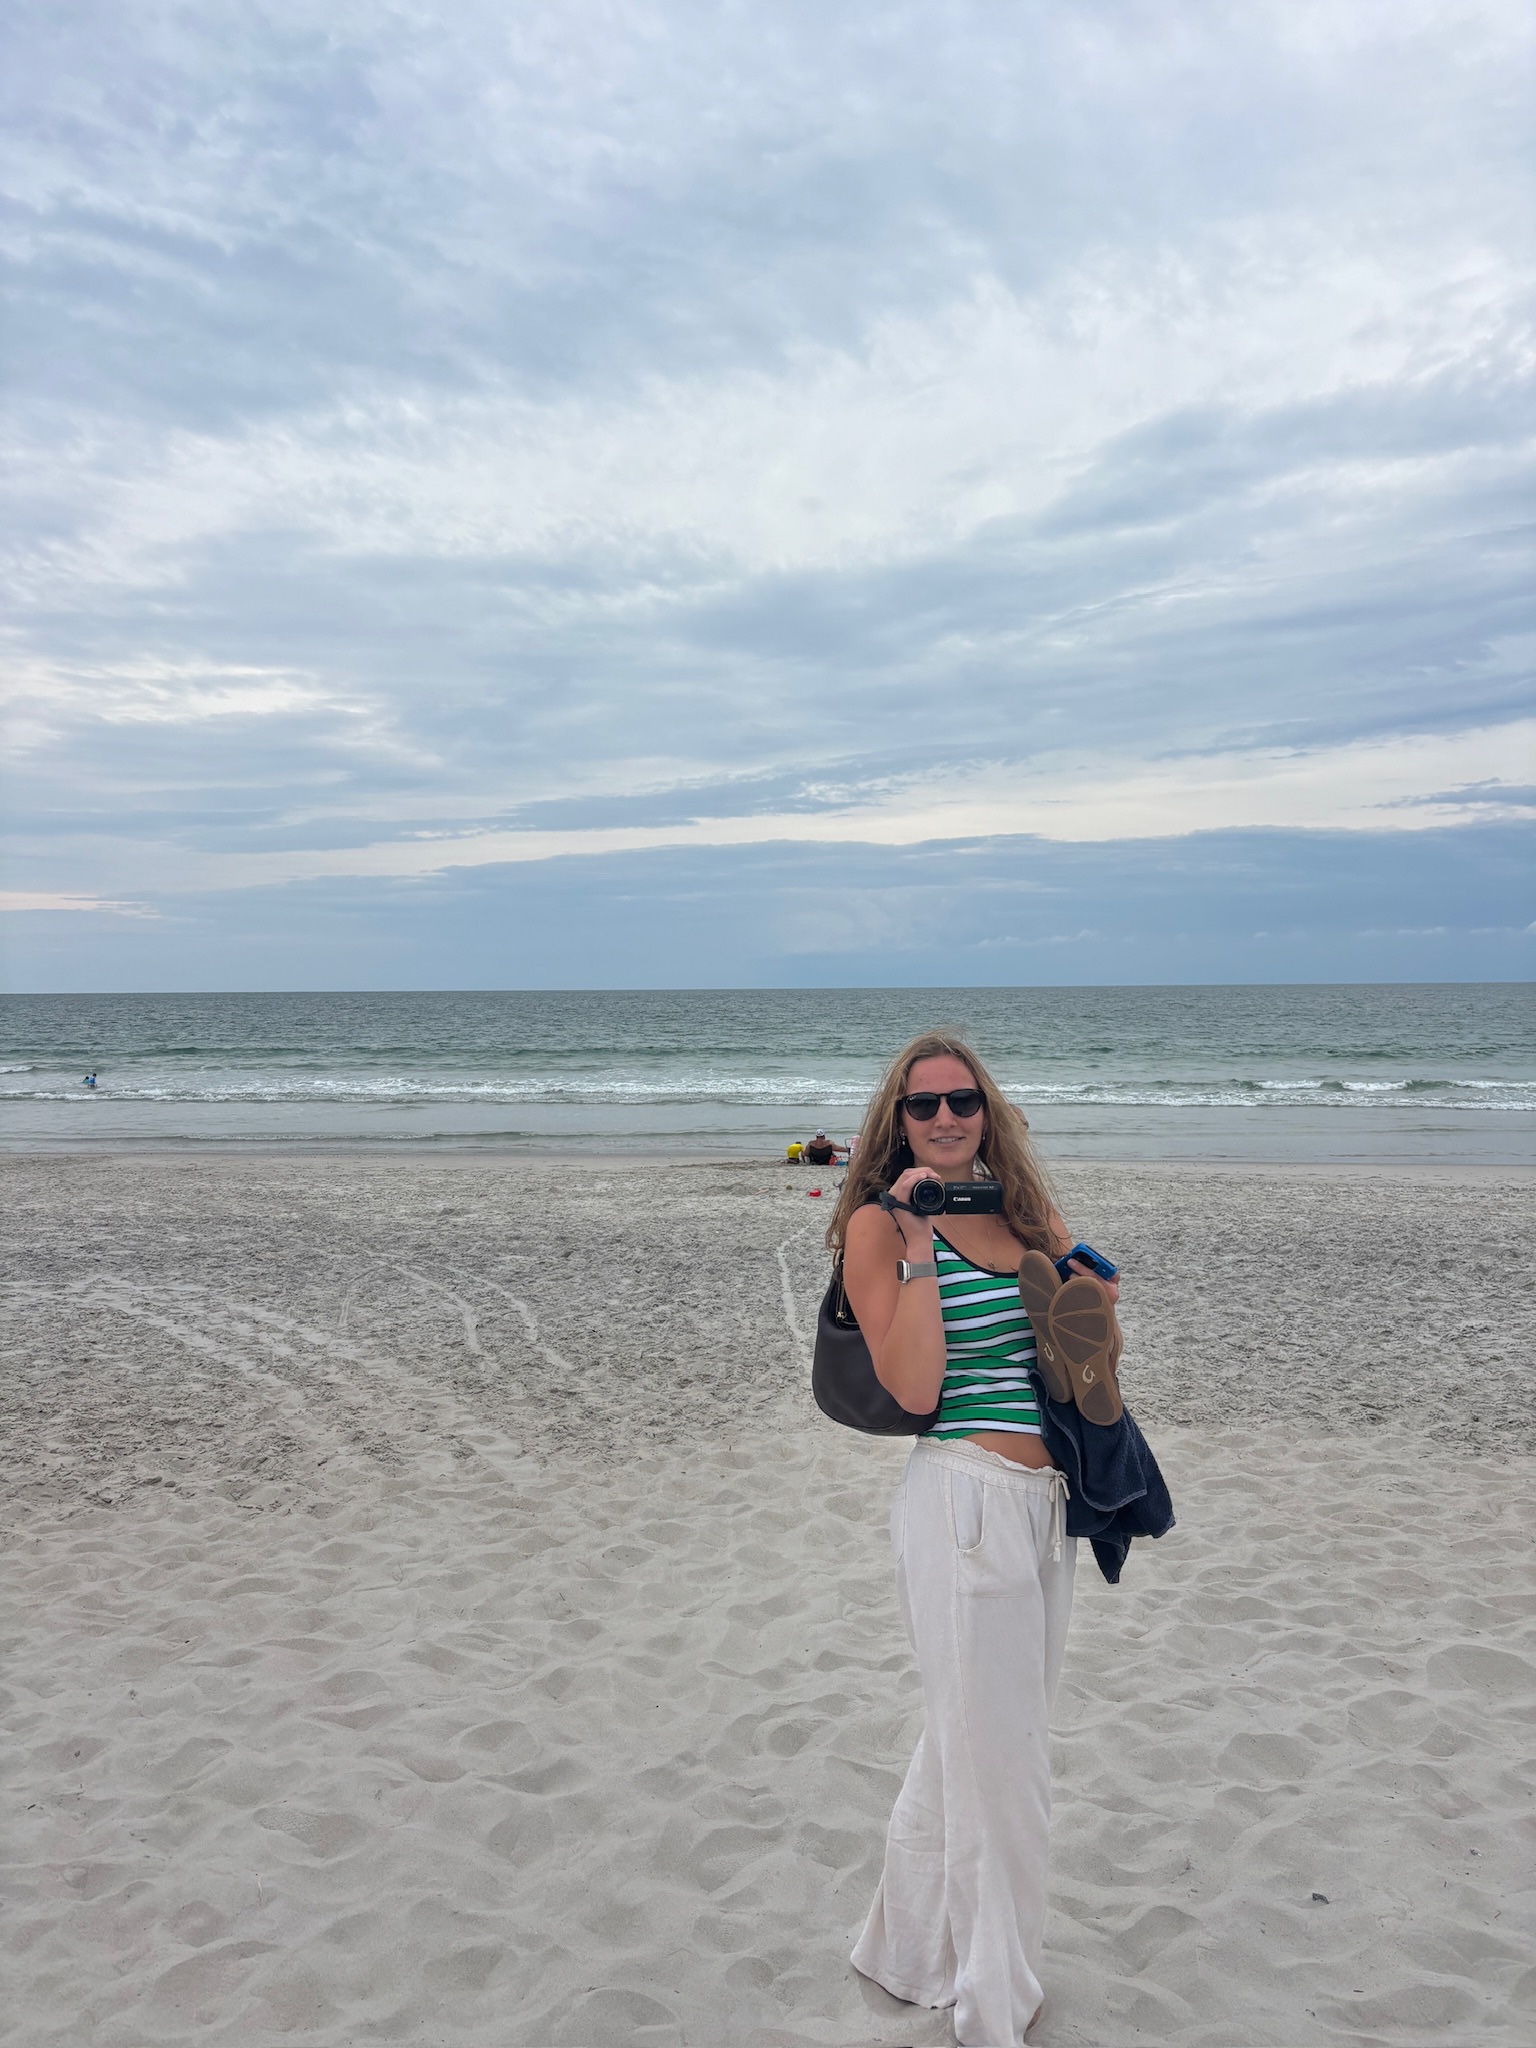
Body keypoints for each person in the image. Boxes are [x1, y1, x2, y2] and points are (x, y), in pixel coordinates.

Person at [828, 1029, 1121, 2045]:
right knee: (1006, 1766)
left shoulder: (1025, 1214)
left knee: (971, 1740)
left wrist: (1095, 1315)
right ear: (896, 1121)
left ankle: (902, 1952)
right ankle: (991, 2005)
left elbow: (1081, 1378)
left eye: (962, 1101)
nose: (946, 1117)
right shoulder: (876, 1225)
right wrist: (915, 1248)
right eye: (924, 1105)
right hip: (960, 1498)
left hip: (1044, 1512)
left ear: (986, 1110)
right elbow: (914, 1385)